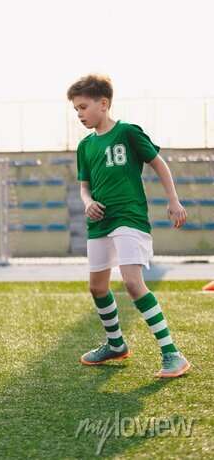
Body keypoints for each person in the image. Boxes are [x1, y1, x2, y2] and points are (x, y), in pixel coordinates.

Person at [67, 74, 190, 378]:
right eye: (76, 110)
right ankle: (116, 344)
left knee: (133, 283)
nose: (80, 114)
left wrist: (173, 201)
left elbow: (159, 163)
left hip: (129, 217)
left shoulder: (128, 132)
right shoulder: (84, 146)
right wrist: (87, 202)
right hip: (100, 223)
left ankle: (172, 353)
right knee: (97, 287)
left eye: (83, 107)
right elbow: (84, 187)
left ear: (103, 103)